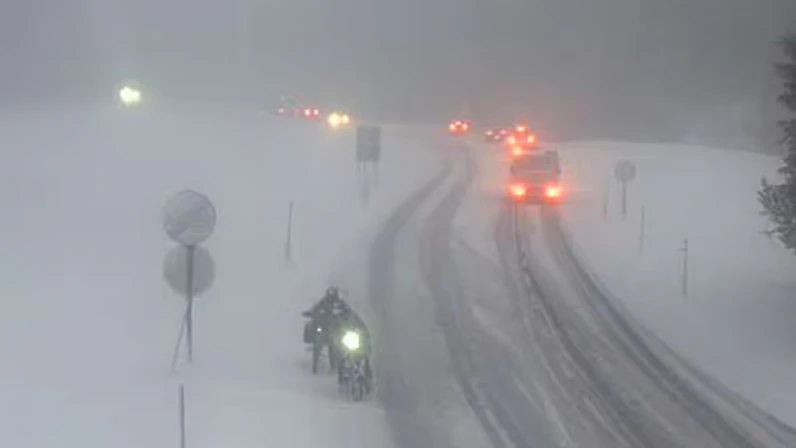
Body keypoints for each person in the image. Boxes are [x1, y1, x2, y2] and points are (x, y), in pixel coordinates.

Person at [329, 301, 373, 391]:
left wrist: (364, 335)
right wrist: (336, 339)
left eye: (339, 309)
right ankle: (341, 378)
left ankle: (368, 380)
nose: (337, 312)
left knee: (365, 357)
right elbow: (332, 331)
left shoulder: (352, 316)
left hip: (355, 339)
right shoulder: (335, 320)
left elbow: (362, 326)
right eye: (336, 310)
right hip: (343, 341)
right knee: (340, 357)